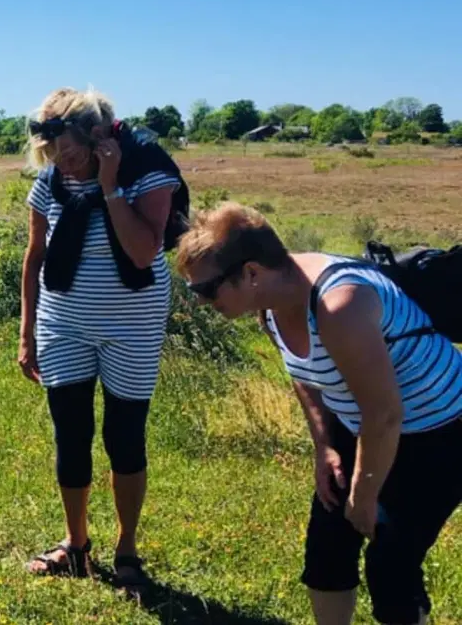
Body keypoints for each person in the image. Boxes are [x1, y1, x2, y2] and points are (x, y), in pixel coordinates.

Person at [175, 203, 462, 625]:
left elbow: (384, 415)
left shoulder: (339, 304)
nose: (202, 303)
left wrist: (364, 499)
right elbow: (304, 372)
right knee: (327, 550)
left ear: (251, 272)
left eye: (207, 290)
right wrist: (325, 443)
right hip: (362, 425)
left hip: (438, 433)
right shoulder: (270, 304)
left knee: (390, 564)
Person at [18, 88, 180, 587]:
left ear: (98, 136)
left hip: (131, 326)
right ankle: (76, 542)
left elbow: (140, 252)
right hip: (63, 323)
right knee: (71, 434)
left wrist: (109, 186)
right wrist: (27, 331)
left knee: (124, 437)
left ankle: (127, 547)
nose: (62, 164)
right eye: (52, 155)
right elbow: (35, 257)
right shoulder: (50, 184)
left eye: (70, 152)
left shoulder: (147, 174)